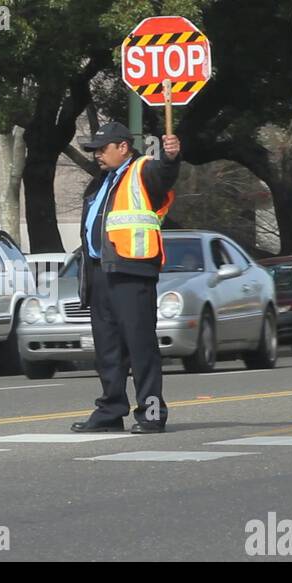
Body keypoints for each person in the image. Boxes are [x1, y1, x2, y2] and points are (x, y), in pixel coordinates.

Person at [71, 122, 181, 434]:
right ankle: (110, 410)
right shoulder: (101, 182)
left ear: (122, 147)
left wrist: (172, 158)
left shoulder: (143, 171)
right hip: (100, 272)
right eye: (93, 151)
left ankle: (152, 413)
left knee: (140, 346)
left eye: (101, 149)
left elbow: (165, 176)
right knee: (107, 349)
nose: (96, 156)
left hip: (132, 272)